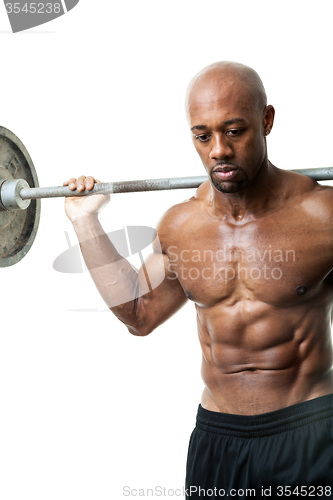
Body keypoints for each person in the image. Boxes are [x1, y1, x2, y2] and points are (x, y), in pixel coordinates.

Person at [64, 62, 333, 498]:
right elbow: (140, 314)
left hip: (309, 434)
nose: (219, 151)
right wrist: (84, 222)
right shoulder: (180, 225)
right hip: (217, 441)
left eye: (235, 131)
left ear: (266, 121)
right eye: (203, 135)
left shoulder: (322, 214)